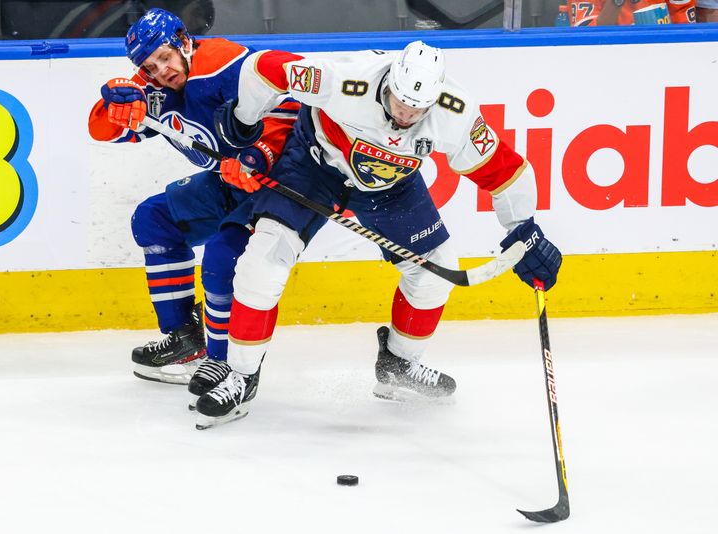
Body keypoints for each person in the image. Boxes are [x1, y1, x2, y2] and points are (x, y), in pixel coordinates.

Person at [192, 41, 563, 429]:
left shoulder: (456, 112)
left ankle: (398, 366)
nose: (406, 114)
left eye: (417, 109)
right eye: (399, 102)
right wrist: (244, 117)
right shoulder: (344, 77)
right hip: (313, 168)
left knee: (438, 271)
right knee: (261, 267)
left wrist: (525, 229)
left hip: (391, 186)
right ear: (388, 83)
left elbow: (505, 170)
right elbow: (263, 66)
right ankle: (242, 376)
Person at [87, 8, 297, 393]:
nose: (160, 71)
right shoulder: (153, 89)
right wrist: (114, 99)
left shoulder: (223, 64)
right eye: (149, 66)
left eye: (165, 57)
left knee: (221, 258)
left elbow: (290, 108)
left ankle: (224, 364)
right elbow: (101, 131)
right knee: (154, 220)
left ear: (184, 42)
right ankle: (185, 340)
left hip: (276, 185)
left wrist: (256, 157)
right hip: (228, 183)